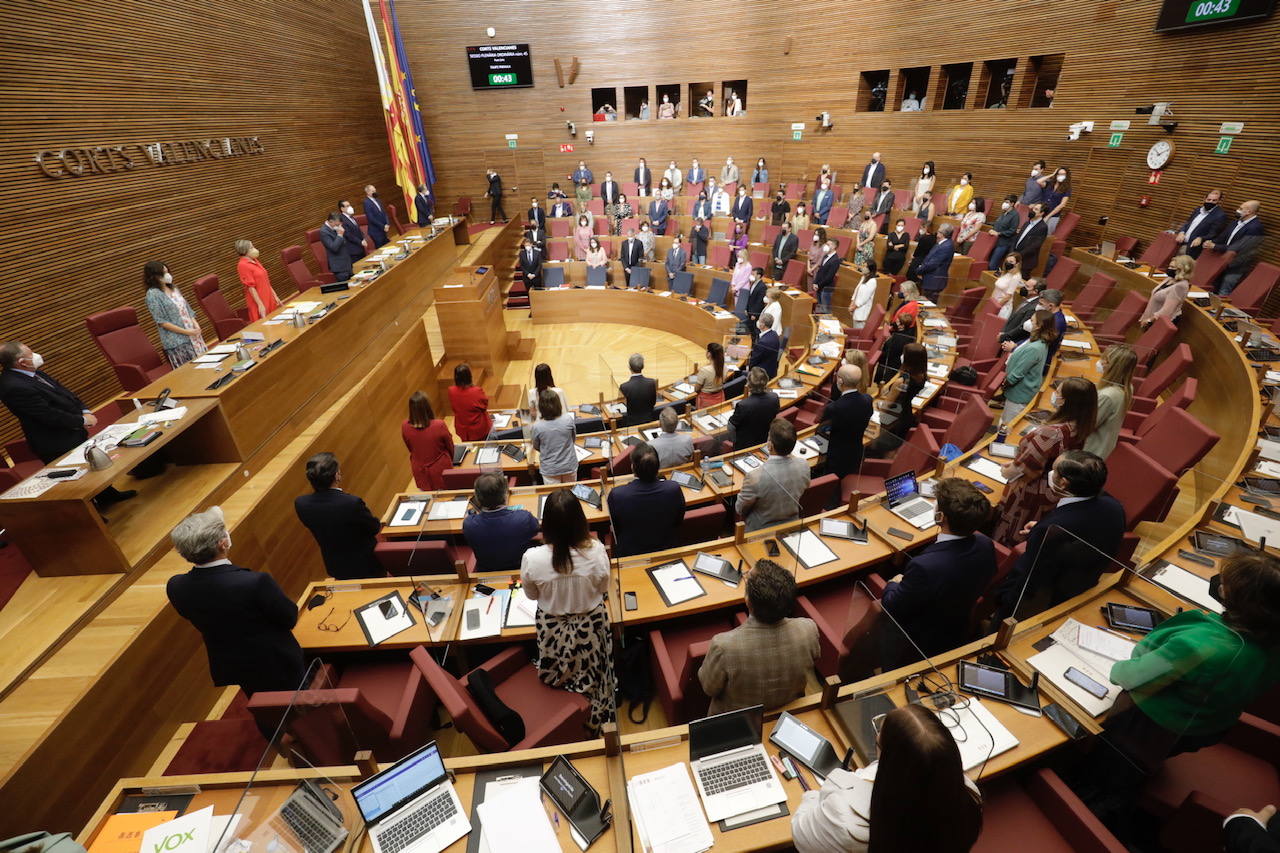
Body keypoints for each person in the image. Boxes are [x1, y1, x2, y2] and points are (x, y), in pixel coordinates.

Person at [791, 703, 983, 853]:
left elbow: (800, 832)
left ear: (891, 761)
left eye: (879, 742)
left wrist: (812, 796)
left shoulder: (843, 818)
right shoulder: (969, 796)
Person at [167, 506, 306, 695]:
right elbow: (289, 618)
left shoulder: (175, 585)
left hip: (233, 663)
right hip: (276, 660)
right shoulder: (254, 582)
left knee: (263, 708)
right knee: (296, 707)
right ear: (223, 544)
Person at [520, 490, 616, 736]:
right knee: (595, 672)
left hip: (552, 627)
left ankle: (564, 694)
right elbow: (603, 589)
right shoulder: (596, 551)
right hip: (591, 625)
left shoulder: (532, 558)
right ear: (580, 521)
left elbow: (531, 596)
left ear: (547, 525)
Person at [0, 341, 136, 506]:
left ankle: (107, 495)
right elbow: (47, 415)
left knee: (89, 465)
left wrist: (84, 410)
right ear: (21, 362)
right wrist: (82, 420)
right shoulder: (13, 386)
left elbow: (63, 392)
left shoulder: (32, 372)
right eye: (31, 354)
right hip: (53, 439)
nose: (35, 356)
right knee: (75, 477)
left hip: (71, 429)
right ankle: (92, 513)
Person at [993, 450, 1125, 620]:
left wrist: (1002, 600)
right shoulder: (1113, 505)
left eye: (1054, 471)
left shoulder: (1052, 529)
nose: (1050, 474)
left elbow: (1029, 581)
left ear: (1063, 483)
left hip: (1039, 606)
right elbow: (1084, 531)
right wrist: (1041, 530)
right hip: (1082, 588)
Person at [881, 478, 995, 661]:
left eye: (937, 505)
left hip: (915, 642)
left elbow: (892, 607)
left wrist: (893, 584)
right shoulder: (986, 544)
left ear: (940, 517)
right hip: (956, 627)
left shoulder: (924, 567)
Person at [699, 558, 819, 714]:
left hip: (739, 722)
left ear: (748, 601)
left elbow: (708, 687)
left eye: (748, 577)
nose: (746, 575)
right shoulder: (808, 629)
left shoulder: (723, 646)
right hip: (787, 715)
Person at [992, 376, 1097, 544]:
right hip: (1050, 490)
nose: (1054, 395)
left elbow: (1022, 469)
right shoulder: (1081, 424)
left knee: (1009, 533)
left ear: (1066, 401)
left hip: (1030, 494)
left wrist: (1007, 469)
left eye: (1058, 392)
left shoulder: (1051, 433)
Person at [293, 452, 381, 580]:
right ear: (337, 475)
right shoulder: (351, 503)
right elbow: (374, 528)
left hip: (335, 566)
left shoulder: (301, 504)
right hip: (366, 565)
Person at [607, 442, 686, 557]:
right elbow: (678, 520)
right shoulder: (673, 488)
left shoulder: (617, 494)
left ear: (632, 467)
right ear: (658, 466)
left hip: (631, 553)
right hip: (667, 549)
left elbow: (616, 527)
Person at [738, 418, 810, 531]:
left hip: (760, 531)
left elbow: (740, 509)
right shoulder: (804, 465)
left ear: (770, 446)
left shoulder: (754, 477)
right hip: (792, 526)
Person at [464, 471, 540, 573]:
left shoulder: (469, 524)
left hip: (487, 571)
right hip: (521, 568)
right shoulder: (523, 518)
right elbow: (535, 528)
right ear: (505, 495)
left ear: (477, 498)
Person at [143, 260, 206, 368]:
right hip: (178, 341)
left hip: (194, 335)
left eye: (167, 272)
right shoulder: (152, 295)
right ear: (154, 276)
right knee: (192, 371)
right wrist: (186, 332)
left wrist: (196, 325)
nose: (167, 275)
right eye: (163, 273)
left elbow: (187, 309)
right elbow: (162, 321)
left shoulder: (173, 287)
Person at [867, 343, 926, 457]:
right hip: (906, 415)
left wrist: (872, 407)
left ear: (908, 359)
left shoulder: (901, 382)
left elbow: (885, 406)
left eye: (904, 354)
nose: (901, 356)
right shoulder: (922, 374)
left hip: (894, 420)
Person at [998, 309, 1054, 426]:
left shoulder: (1035, 348)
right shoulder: (1036, 340)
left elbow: (1018, 373)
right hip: (1018, 391)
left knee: (1007, 425)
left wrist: (1003, 385)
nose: (1028, 322)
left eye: (1032, 320)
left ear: (1039, 326)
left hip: (1019, 393)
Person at [821, 364, 873, 479]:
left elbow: (823, 430)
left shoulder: (833, 408)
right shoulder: (867, 400)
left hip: (836, 457)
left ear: (840, 381)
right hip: (856, 452)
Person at [1205, 200, 1265, 294]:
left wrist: (1215, 246)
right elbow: (1223, 236)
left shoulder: (1255, 228)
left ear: (1249, 212)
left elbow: (1240, 249)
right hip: (1222, 260)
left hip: (1236, 266)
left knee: (1223, 292)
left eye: (1241, 209)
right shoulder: (1236, 222)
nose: (1238, 210)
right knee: (1213, 288)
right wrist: (1211, 242)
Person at [402, 390, 454, 489]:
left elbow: (410, 448)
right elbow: (450, 446)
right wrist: (449, 460)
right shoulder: (439, 425)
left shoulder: (404, 426)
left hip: (420, 471)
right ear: (427, 407)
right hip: (440, 469)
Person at [530, 388, 577, 484]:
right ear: (558, 404)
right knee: (570, 495)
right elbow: (573, 439)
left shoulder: (537, 426)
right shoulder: (568, 419)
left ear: (541, 407)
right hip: (569, 466)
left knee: (553, 497)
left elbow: (536, 446)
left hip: (550, 469)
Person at [728, 367, 780, 449]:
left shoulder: (743, 405)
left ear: (748, 385)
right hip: (765, 441)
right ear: (766, 382)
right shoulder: (774, 398)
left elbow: (731, 426)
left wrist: (735, 441)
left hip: (744, 446)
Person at [1140, 253, 1193, 326]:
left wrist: (1150, 320)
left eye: (1172, 267)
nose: (1169, 269)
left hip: (1161, 322)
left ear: (1182, 270)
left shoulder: (1180, 286)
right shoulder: (1169, 279)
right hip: (1153, 318)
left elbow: (1167, 310)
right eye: (1169, 266)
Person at [1173, 188, 1227, 258]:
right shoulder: (1197, 210)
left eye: (1214, 201)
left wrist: (1201, 238)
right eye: (1209, 199)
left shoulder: (1220, 215)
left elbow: (1213, 234)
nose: (1210, 202)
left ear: (1219, 201)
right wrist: (1182, 232)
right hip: (1180, 242)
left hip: (1192, 248)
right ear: (1204, 199)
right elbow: (1188, 223)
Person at [235, 240, 279, 322]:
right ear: (245, 250)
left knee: (275, 320)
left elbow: (265, 279)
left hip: (268, 295)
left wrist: (274, 295)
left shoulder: (255, 260)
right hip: (259, 299)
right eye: (251, 247)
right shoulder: (242, 265)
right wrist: (260, 304)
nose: (254, 249)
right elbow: (250, 287)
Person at [448, 363, 492, 441]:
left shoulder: (451, 391)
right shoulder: (476, 391)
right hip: (479, 430)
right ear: (469, 376)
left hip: (462, 430)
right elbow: (484, 406)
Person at [998, 276, 1047, 343]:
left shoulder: (1034, 308)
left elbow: (1021, 328)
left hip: (1010, 340)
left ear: (1035, 291)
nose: (1023, 288)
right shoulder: (1027, 299)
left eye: (1027, 286)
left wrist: (1004, 336)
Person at [915, 222, 955, 302]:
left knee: (928, 305)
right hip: (930, 279)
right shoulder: (942, 243)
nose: (937, 232)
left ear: (942, 233)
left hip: (934, 281)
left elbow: (933, 264)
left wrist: (919, 270)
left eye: (939, 231)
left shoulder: (946, 246)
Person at [986, 194, 1022, 270]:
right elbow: (998, 224)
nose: (1004, 204)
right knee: (988, 261)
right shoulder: (1003, 213)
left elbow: (1012, 230)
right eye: (1004, 201)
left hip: (1003, 243)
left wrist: (998, 233)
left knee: (993, 264)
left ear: (1012, 204)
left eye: (1007, 202)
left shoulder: (1015, 215)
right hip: (994, 241)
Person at [1011, 202, 1048, 274]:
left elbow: (1034, 246)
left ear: (1041, 213)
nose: (1032, 210)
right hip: (1015, 257)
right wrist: (1012, 253)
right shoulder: (1027, 223)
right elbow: (1017, 238)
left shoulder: (1043, 227)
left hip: (1025, 261)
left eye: (1036, 209)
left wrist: (1018, 256)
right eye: (1033, 208)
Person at [620, 353, 657, 426]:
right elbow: (653, 403)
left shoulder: (624, 387)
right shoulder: (651, 382)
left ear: (629, 367)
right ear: (643, 366)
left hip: (631, 424)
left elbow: (623, 408)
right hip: (649, 420)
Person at [990, 252, 1023, 319]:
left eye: (1011, 261)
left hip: (1002, 307)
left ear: (1017, 263)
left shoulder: (1016, 277)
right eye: (1007, 261)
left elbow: (1008, 296)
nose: (1008, 263)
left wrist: (996, 307)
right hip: (994, 302)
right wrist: (991, 301)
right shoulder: (1006, 272)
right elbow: (996, 288)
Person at [319, 212, 351, 281]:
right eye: (337, 224)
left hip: (347, 264)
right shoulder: (324, 232)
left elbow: (344, 243)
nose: (340, 226)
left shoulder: (336, 228)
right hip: (339, 267)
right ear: (331, 221)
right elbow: (334, 248)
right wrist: (340, 235)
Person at [749, 313, 783, 377]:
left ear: (763, 325)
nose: (758, 323)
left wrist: (748, 368)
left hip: (761, 374)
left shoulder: (763, 342)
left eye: (759, 321)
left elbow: (753, 361)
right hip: (771, 369)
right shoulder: (774, 334)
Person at [812, 239, 841, 314]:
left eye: (828, 244)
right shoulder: (825, 256)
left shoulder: (835, 260)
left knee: (825, 310)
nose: (826, 246)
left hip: (826, 289)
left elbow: (829, 277)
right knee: (820, 308)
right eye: (826, 244)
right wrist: (815, 282)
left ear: (834, 246)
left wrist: (818, 285)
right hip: (819, 287)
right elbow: (820, 270)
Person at [1043, 166, 1072, 235]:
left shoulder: (1067, 189)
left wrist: (1048, 216)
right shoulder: (1050, 184)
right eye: (1059, 174)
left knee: (1046, 236)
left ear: (1066, 176)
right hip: (1041, 212)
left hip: (1052, 216)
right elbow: (1039, 181)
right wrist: (1052, 174)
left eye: (1063, 174)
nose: (1060, 176)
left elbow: (1062, 205)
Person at [849, 261, 878, 330]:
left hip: (861, 310)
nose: (863, 268)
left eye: (865, 266)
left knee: (859, 330)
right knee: (854, 328)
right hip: (855, 307)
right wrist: (852, 303)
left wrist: (853, 307)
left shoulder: (872, 281)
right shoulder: (863, 277)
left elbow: (864, 299)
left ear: (870, 269)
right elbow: (857, 290)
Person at [338, 199, 366, 263]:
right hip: (353, 251)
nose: (350, 207)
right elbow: (348, 235)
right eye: (347, 206)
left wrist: (363, 238)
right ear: (342, 209)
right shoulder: (342, 219)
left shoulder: (351, 217)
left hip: (360, 248)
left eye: (349, 205)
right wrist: (360, 242)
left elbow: (358, 230)